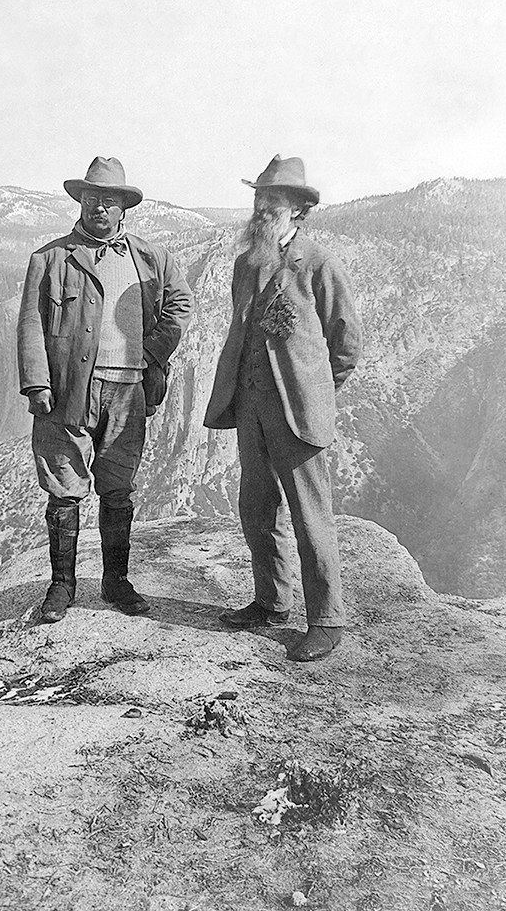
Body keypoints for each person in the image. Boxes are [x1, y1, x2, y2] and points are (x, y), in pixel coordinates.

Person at [17, 156, 193, 623]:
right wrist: (36, 382)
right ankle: (62, 587)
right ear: (81, 202)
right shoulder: (50, 259)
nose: (100, 208)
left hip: (129, 390)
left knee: (118, 491)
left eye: (109, 201)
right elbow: (31, 324)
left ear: (123, 208)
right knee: (64, 487)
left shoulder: (151, 258)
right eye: (92, 199)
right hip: (69, 391)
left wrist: (153, 353)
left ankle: (116, 582)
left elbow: (181, 305)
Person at [204, 155, 362, 662]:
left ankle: (327, 619)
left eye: (272, 200)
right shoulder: (246, 263)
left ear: (298, 209)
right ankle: (271, 602)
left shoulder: (318, 263)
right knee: (256, 507)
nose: (261, 207)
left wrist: (314, 390)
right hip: (250, 406)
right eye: (259, 198)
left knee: (310, 515)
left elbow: (346, 344)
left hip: (297, 411)